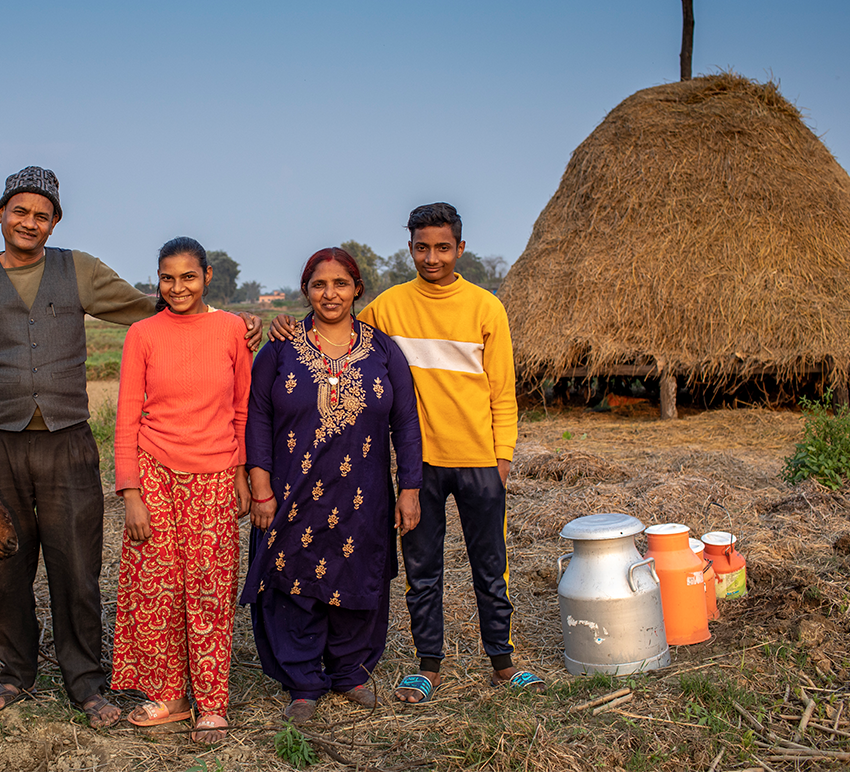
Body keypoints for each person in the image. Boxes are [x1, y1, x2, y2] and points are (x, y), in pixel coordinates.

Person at [0, 167, 258, 727]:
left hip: (68, 446)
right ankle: (13, 671)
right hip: (0, 447)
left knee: (77, 566)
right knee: (5, 564)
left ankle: (86, 682)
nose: (29, 222)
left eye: (42, 215)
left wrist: (230, 326)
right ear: (0, 214)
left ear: (55, 221)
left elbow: (155, 309)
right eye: (20, 211)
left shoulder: (78, 270)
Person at [269, 203, 543, 704]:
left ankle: (503, 661)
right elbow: (335, 325)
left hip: (481, 461)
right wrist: (285, 325)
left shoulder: (486, 307)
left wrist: (502, 457)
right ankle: (427, 666)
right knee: (422, 569)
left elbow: (503, 391)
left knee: (491, 564)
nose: (432, 257)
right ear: (410, 248)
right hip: (419, 468)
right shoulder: (389, 307)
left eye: (442, 248)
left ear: (460, 249)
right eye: (422, 247)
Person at [243, 248, 422, 724]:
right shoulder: (280, 348)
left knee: (357, 575)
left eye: (341, 284)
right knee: (294, 579)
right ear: (307, 291)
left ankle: (350, 672)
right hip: (293, 489)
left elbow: (405, 421)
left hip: (362, 494)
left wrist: (410, 488)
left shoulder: (383, 350)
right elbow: (257, 416)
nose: (330, 294)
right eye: (320, 285)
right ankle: (303, 682)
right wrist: (260, 485)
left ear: (357, 289)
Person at [111, 237, 252, 744]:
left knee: (210, 589)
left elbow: (242, 410)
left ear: (207, 276)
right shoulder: (143, 334)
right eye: (167, 278)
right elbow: (127, 415)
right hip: (154, 473)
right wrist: (130, 492)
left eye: (188, 277)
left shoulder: (232, 329)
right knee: (157, 588)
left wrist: (240, 473)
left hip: (215, 474)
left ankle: (211, 702)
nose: (177, 288)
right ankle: (169, 695)